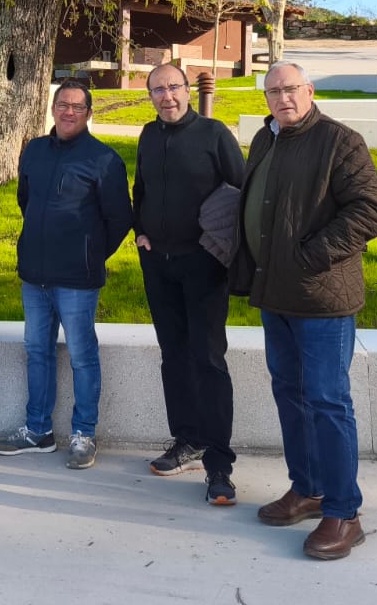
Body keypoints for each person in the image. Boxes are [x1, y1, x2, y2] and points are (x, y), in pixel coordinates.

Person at [234, 61, 377, 560]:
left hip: (321, 298)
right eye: (274, 91)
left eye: (292, 89)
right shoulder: (266, 140)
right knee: (291, 395)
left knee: (326, 401)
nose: (284, 98)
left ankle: (344, 513)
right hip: (275, 296)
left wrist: (308, 256)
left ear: (310, 91)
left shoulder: (340, 142)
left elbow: (371, 211)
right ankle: (308, 488)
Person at [0, 78, 132, 470]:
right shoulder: (34, 151)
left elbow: (119, 218)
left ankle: (84, 433)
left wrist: (89, 253)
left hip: (78, 278)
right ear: (52, 109)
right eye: (62, 105)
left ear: (88, 113)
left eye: (77, 106)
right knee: (37, 352)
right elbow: (25, 200)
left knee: (83, 356)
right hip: (34, 275)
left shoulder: (104, 159)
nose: (68, 112)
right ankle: (37, 430)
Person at [133, 62, 246, 504]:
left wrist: (221, 247)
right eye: (158, 90)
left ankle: (219, 465)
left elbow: (241, 193)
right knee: (173, 357)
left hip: (204, 265)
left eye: (174, 87)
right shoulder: (147, 135)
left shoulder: (215, 134)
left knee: (208, 360)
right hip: (156, 264)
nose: (168, 97)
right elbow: (141, 189)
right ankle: (186, 440)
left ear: (187, 89)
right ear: (151, 95)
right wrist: (140, 228)